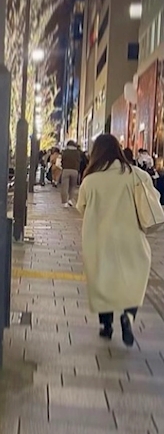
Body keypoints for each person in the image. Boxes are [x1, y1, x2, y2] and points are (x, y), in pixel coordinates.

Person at [76, 133, 153, 347]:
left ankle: (106, 325)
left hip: (99, 240)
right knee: (133, 280)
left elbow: (81, 207)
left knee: (103, 281)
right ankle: (128, 316)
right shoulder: (136, 175)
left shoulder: (90, 180)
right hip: (132, 238)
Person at [59, 140, 82, 206]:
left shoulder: (65, 152)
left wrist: (63, 165)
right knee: (72, 186)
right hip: (75, 170)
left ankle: (65, 202)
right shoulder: (77, 152)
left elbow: (62, 160)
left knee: (64, 186)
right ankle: (70, 199)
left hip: (66, 170)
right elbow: (79, 160)